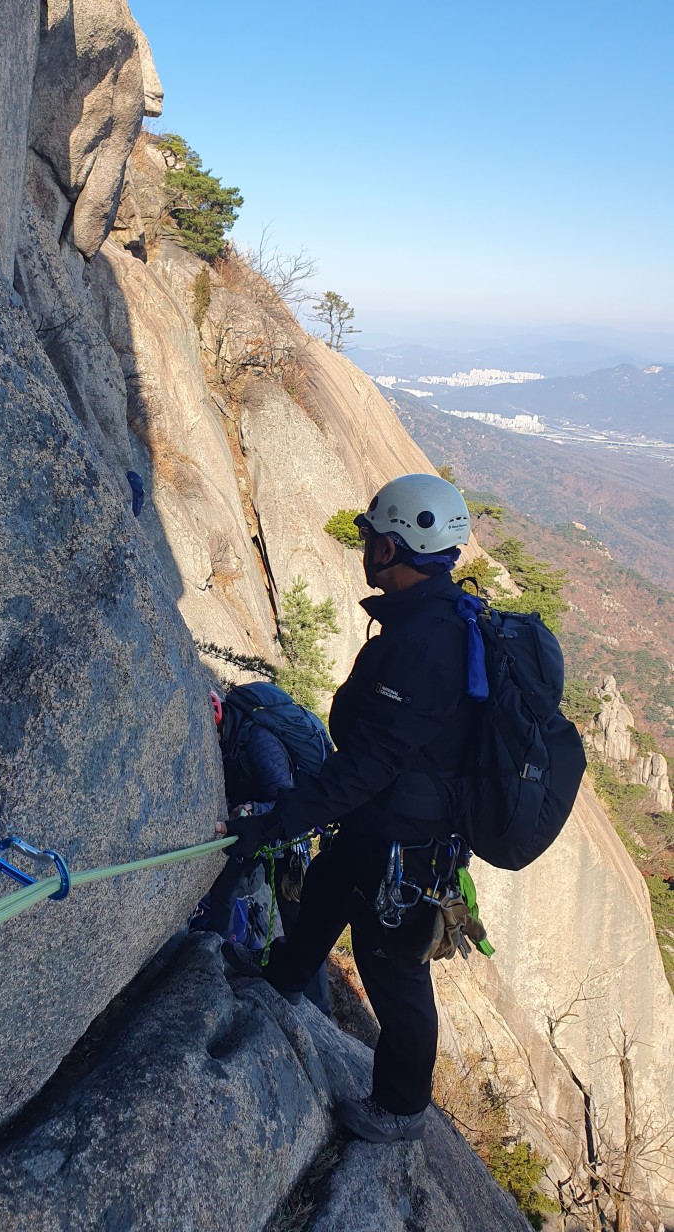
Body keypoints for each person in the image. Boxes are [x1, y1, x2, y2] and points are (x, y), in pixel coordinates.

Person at [218, 472, 476, 1143]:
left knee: (392, 971)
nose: (365, 548)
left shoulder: (428, 643)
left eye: (372, 538)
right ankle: (285, 974)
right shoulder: (428, 622)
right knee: (330, 887)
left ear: (394, 549)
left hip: (408, 840)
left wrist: (274, 824)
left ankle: (400, 1108)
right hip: (382, 821)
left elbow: (370, 762)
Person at [204, 689, 331, 1015]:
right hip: (253, 833)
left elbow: (286, 800)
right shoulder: (230, 742)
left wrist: (252, 808)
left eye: (214, 733)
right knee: (222, 893)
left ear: (223, 721)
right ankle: (207, 959)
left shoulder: (259, 741)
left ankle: (320, 1009)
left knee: (297, 924)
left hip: (283, 839)